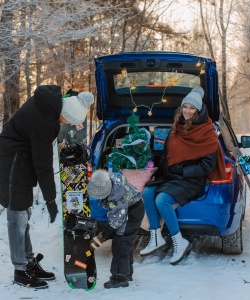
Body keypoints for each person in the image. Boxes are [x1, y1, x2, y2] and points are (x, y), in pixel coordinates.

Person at [0, 85, 94, 289]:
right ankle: (20, 270)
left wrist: (76, 96)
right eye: (70, 121)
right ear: (65, 113)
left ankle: (28, 261)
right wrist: (51, 200)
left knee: (24, 212)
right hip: (13, 159)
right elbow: (42, 165)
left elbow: (70, 98)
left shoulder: (52, 103)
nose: (68, 124)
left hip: (21, 156)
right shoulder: (44, 121)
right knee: (17, 216)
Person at [139, 86, 226, 265]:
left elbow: (207, 165)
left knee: (162, 200)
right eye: (185, 107)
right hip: (173, 176)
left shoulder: (207, 132)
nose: (187, 111)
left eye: (192, 108)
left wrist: (182, 170)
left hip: (192, 180)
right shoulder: (178, 124)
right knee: (148, 192)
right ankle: (155, 236)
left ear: (198, 110)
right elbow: (168, 152)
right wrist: (161, 168)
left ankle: (180, 241)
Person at [87, 169, 144, 289]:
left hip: (131, 214)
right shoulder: (108, 180)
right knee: (125, 242)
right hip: (132, 209)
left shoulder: (116, 198)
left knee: (120, 245)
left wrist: (100, 239)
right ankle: (127, 273)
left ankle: (119, 278)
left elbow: (115, 222)